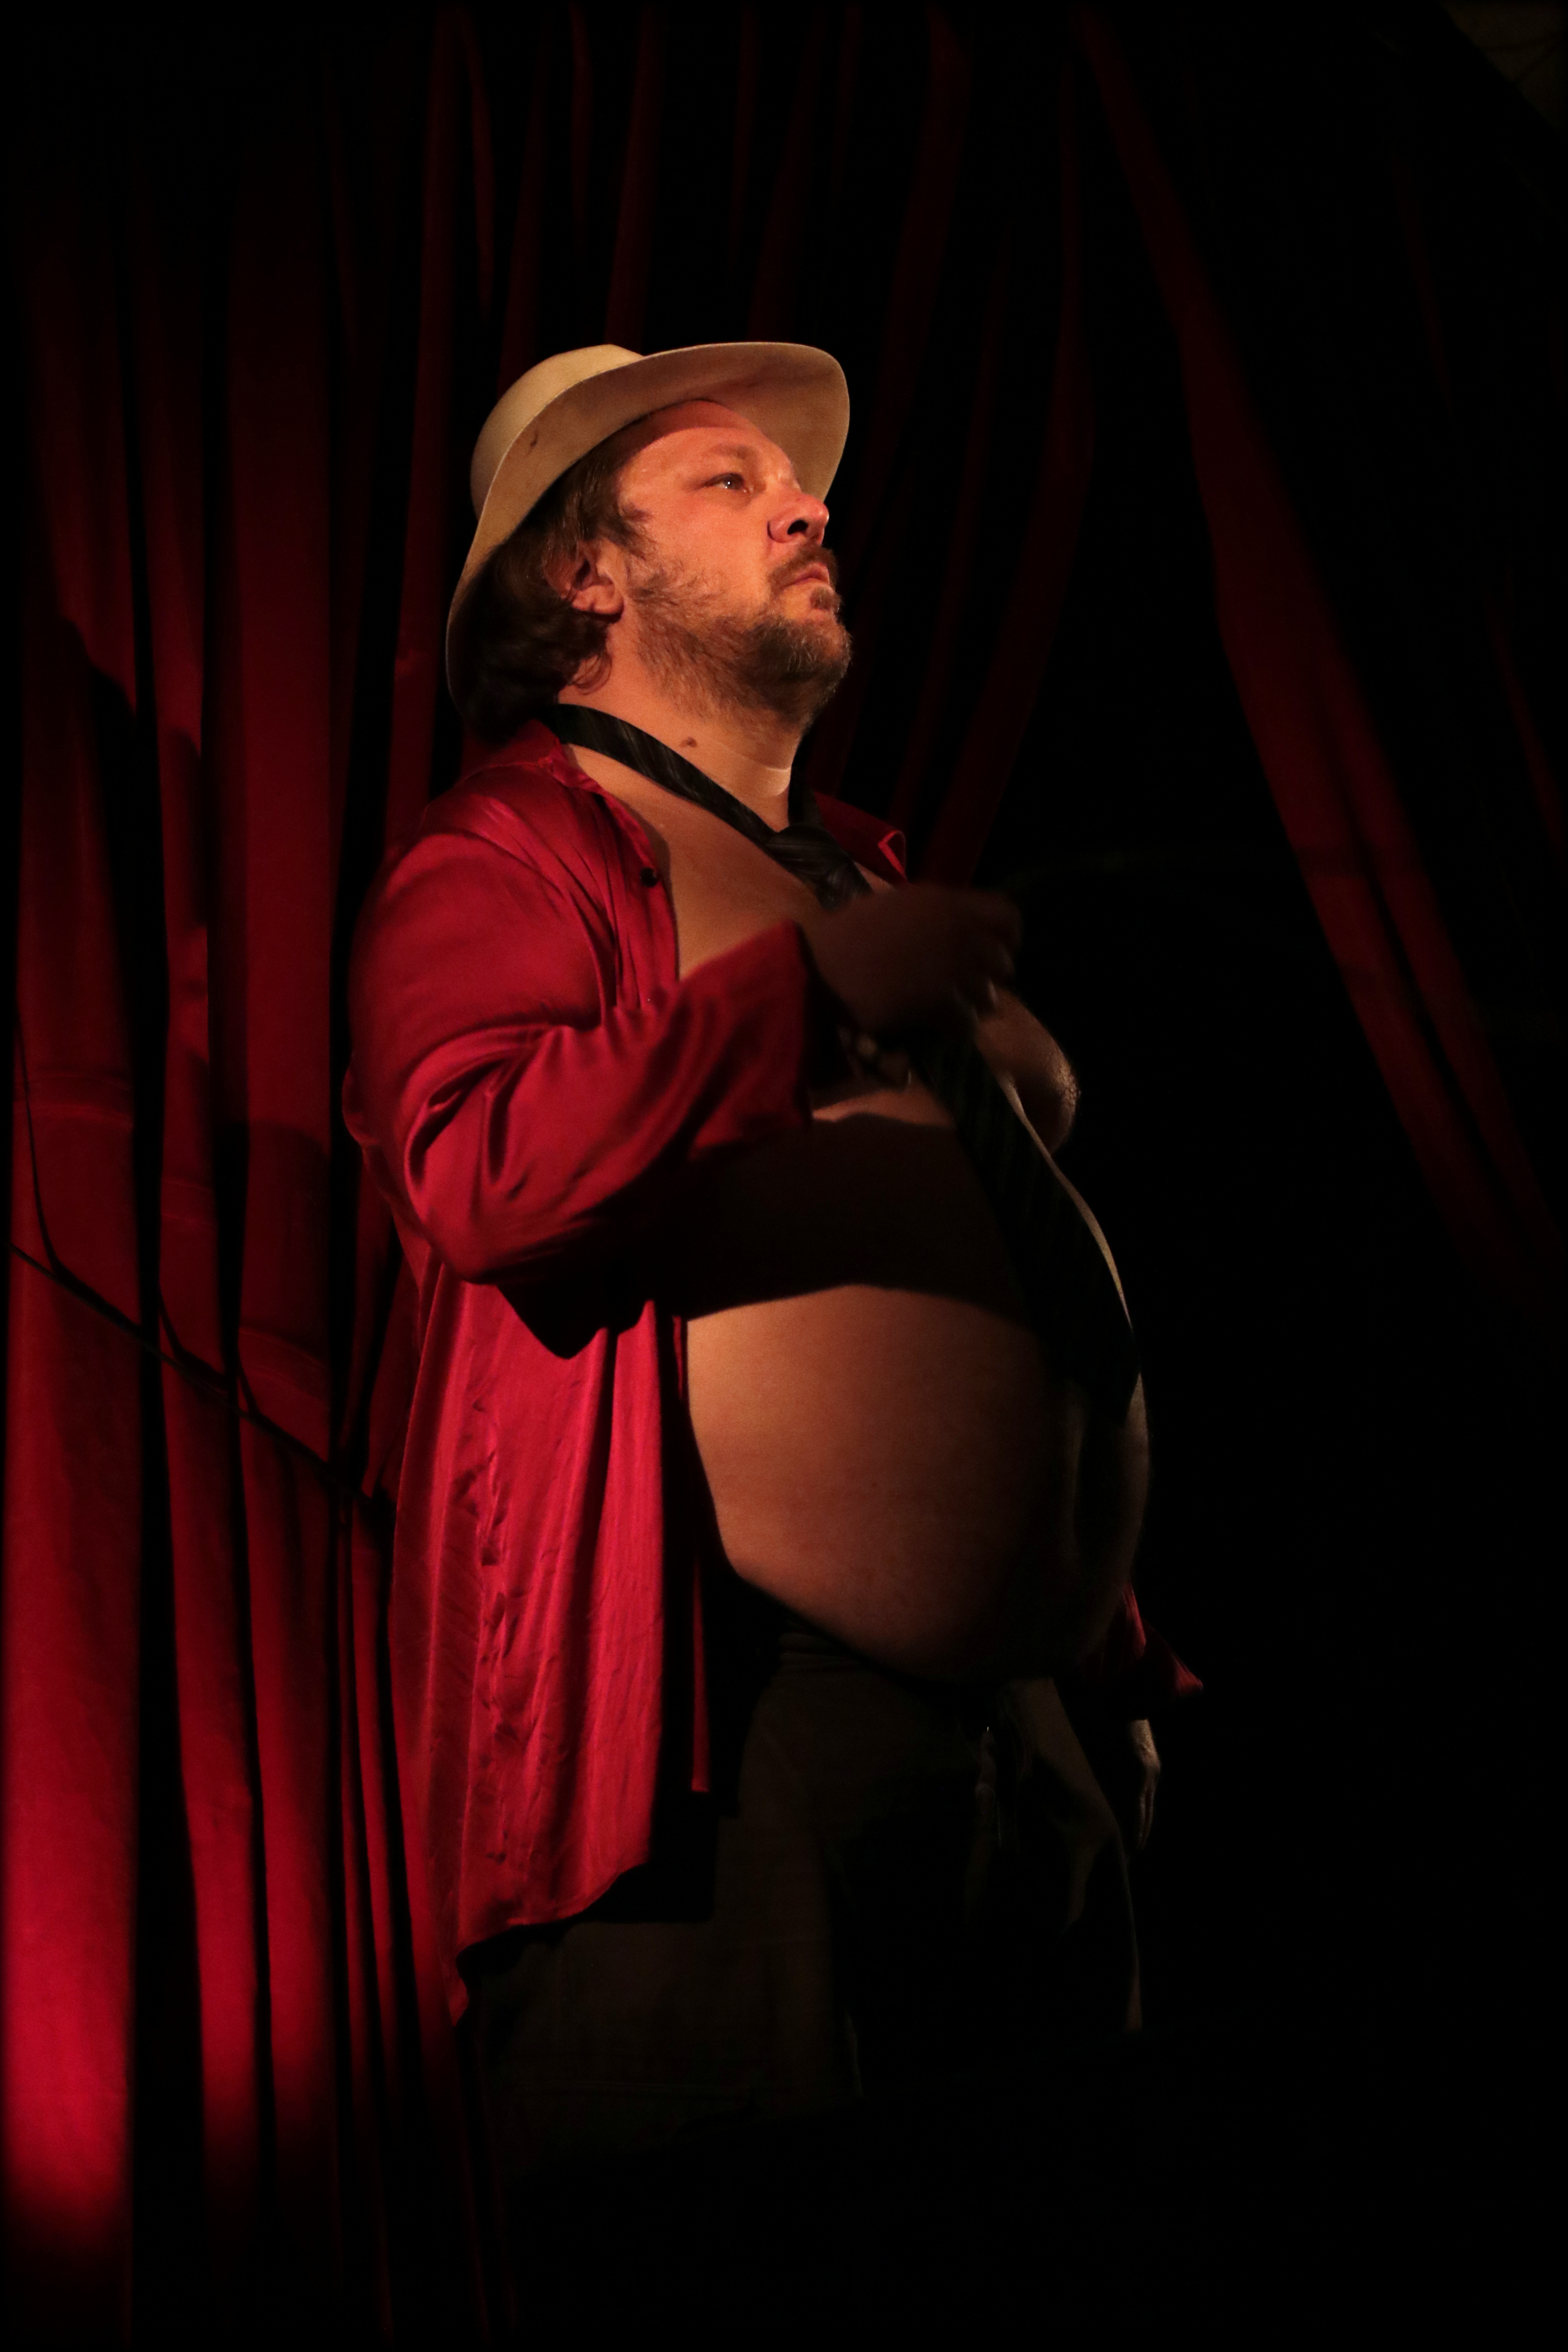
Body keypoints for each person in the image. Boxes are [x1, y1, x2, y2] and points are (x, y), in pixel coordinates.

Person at [344, 341, 1194, 2196]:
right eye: (728, 483)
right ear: (588, 573)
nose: (808, 507)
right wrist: (803, 1002)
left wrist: (1098, 1652)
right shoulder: (514, 847)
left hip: (1026, 1734)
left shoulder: (855, 869)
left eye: (795, 484)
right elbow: (479, 1174)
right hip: (735, 1740)